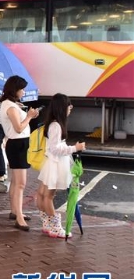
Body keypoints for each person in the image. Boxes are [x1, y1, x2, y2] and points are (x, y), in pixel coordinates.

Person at [36, 94, 85, 237]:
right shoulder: (56, 125)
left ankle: (47, 224)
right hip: (55, 164)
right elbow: (55, 148)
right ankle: (56, 228)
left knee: (43, 194)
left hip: (51, 163)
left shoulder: (52, 123)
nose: (70, 109)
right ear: (62, 108)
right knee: (49, 196)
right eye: (69, 106)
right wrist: (75, 148)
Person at [0, 75, 40, 231]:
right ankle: (19, 217)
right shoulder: (10, 106)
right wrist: (29, 117)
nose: (23, 92)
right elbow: (18, 128)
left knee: (16, 182)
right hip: (17, 143)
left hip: (18, 143)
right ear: (15, 90)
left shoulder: (10, 104)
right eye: (22, 89)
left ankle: (15, 211)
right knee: (21, 182)